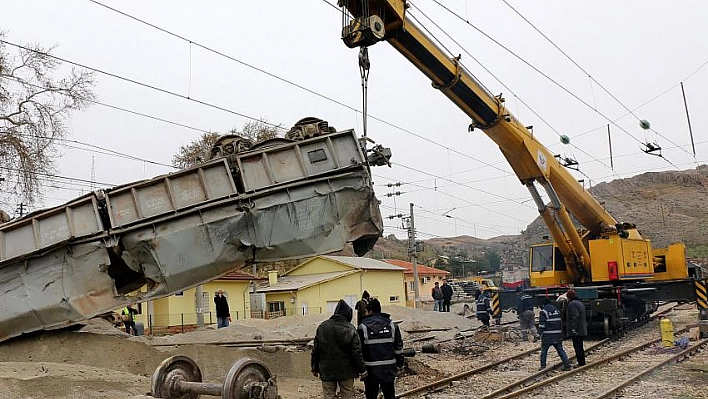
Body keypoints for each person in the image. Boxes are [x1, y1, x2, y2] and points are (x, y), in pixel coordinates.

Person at [311, 299, 366, 399]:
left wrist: (314, 367)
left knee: (328, 396)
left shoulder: (322, 327)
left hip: (327, 371)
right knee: (347, 395)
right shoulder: (350, 329)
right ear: (348, 315)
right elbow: (357, 353)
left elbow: (316, 350)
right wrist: (362, 369)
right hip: (347, 372)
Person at [358, 298, 404, 399]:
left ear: (370, 311)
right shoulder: (392, 326)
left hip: (370, 370)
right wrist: (399, 364)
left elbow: (359, 351)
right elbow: (398, 348)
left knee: (371, 395)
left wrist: (361, 369)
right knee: (389, 394)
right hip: (388, 369)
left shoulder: (363, 327)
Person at [538, 298, 572, 371]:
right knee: (560, 350)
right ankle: (567, 365)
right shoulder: (557, 311)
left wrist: (539, 334)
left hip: (547, 336)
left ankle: (543, 366)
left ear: (543, 305)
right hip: (557, 335)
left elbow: (542, 325)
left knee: (544, 351)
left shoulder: (543, 312)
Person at [565, 289, 588, 366]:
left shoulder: (572, 304)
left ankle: (581, 363)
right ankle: (582, 362)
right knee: (580, 346)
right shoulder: (580, 303)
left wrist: (573, 328)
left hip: (577, 330)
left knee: (577, 346)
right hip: (582, 329)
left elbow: (574, 316)